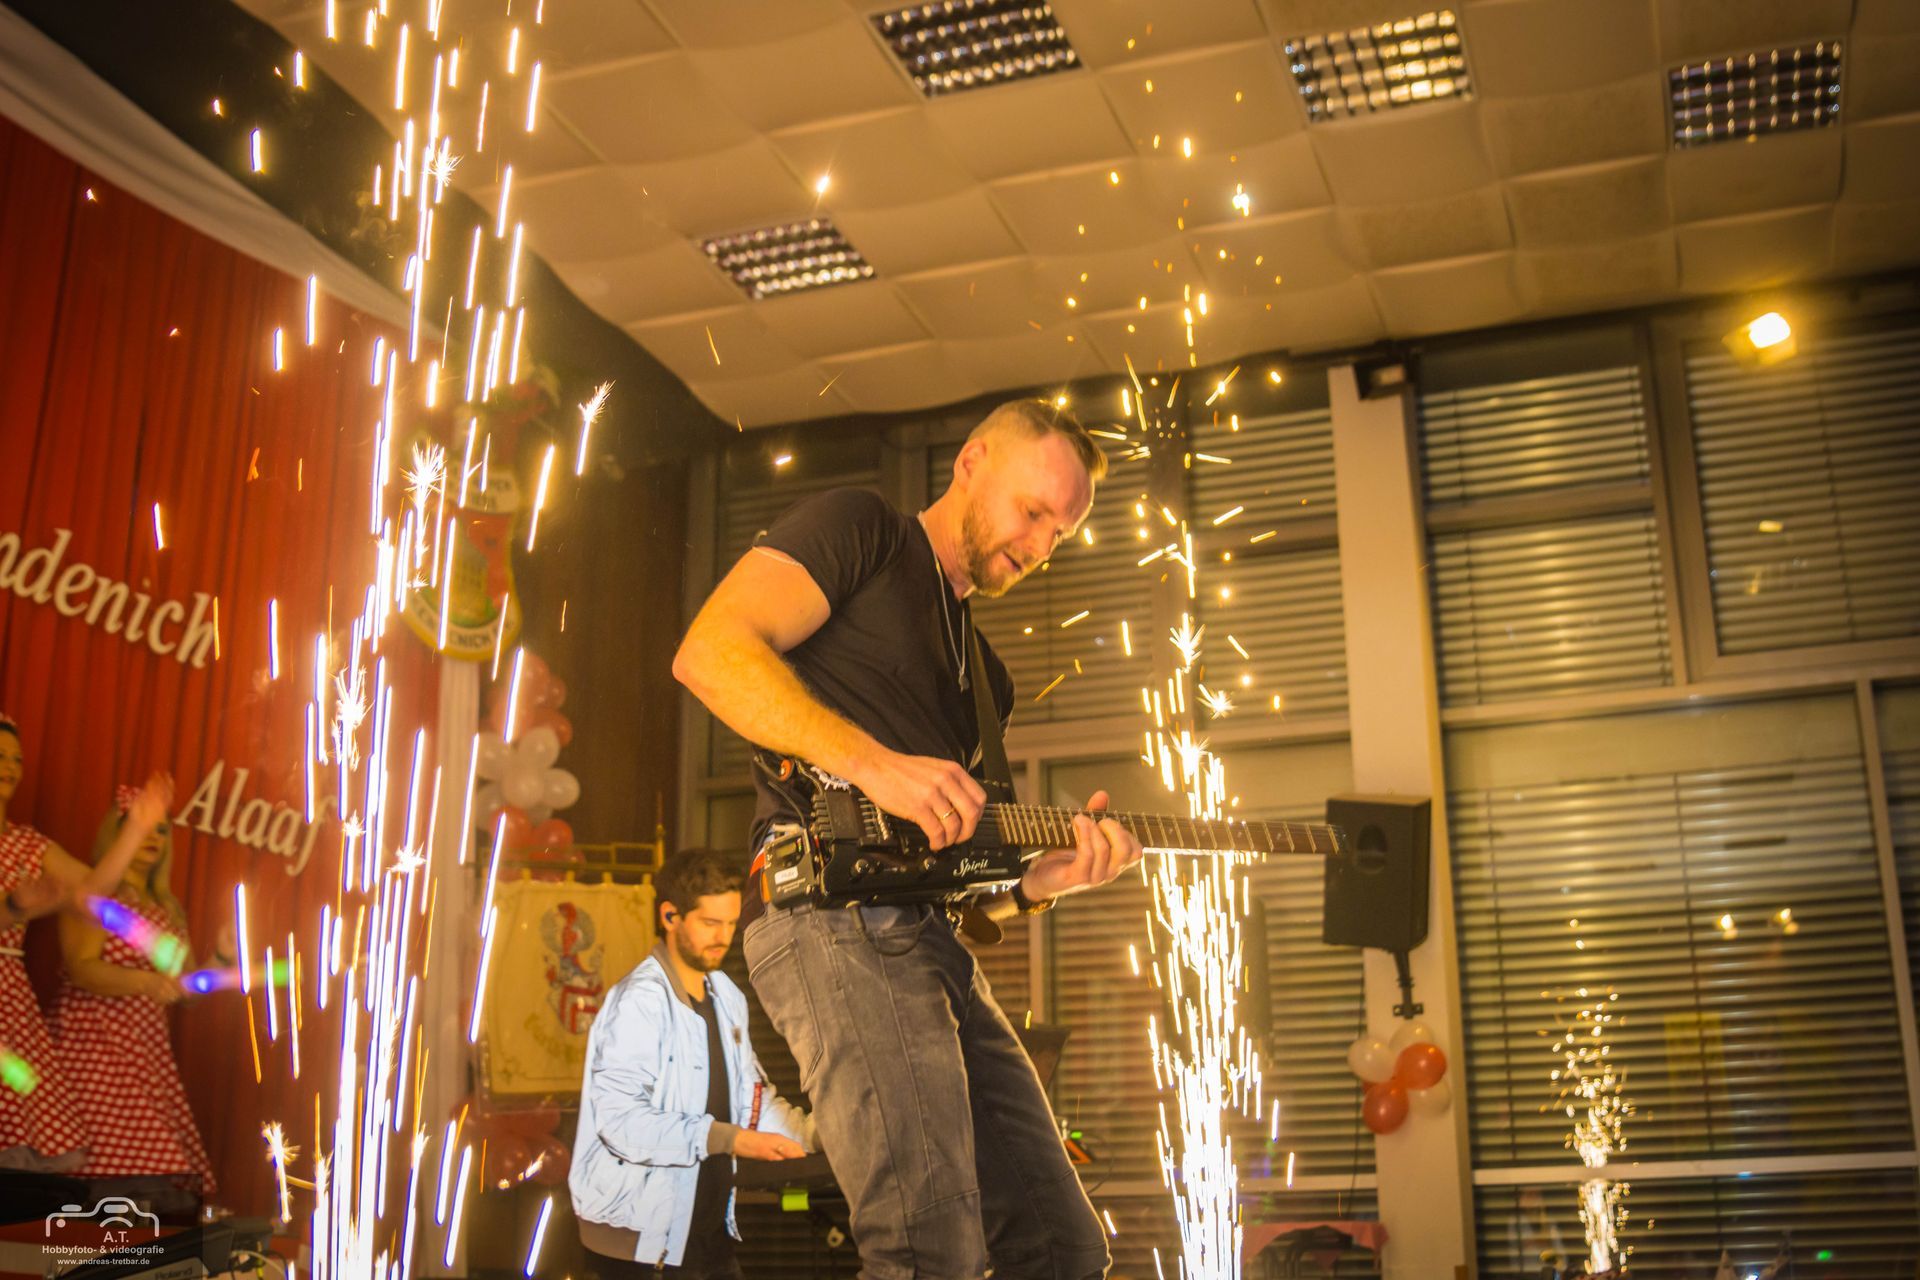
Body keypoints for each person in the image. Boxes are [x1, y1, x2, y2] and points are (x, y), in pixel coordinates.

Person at [672, 398, 1146, 1279]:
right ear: (971, 463)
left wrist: (1037, 884)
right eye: (1033, 511)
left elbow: (956, 880)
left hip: (929, 940)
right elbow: (710, 652)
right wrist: (872, 764)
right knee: (928, 1252)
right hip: (828, 919)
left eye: (1061, 533)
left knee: (1064, 1249)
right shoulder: (863, 530)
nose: (1042, 545)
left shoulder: (987, 679)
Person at [570, 847, 813, 1279]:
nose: (723, 936)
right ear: (670, 916)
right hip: (637, 1245)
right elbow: (620, 1120)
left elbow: (752, 1101)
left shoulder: (727, 997)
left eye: (731, 923)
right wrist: (728, 1138)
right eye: (709, 923)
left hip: (706, 1233)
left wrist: (823, 1135)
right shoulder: (638, 1002)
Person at [0, 713, 171, 1172]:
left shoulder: (28, 845)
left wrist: (135, 829)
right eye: (0, 756)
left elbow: (91, 894)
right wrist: (14, 906)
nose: (10, 767)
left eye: (16, 759)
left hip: (8, 1007)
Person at [50, 787, 222, 1197]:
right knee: (97, 1175)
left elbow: (188, 991)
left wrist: (222, 956)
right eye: (143, 827)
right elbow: (81, 968)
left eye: (162, 831)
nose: (153, 838)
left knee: (146, 1182)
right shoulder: (96, 890)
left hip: (145, 1059)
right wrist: (145, 982)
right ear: (118, 833)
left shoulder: (167, 909)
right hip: (91, 1052)